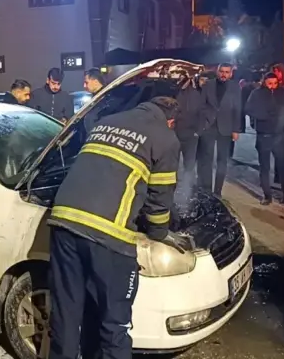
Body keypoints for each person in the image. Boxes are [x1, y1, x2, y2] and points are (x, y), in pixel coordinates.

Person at [48, 96, 192, 359]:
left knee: (66, 313)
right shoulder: (165, 138)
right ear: (170, 120)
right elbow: (159, 198)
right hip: (108, 234)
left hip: (63, 222)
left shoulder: (106, 121)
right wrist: (160, 234)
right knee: (115, 324)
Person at [245, 72, 284, 206]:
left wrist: (283, 121)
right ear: (264, 82)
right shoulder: (257, 93)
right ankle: (267, 195)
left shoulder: (282, 93)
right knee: (265, 167)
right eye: (269, 83)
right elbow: (249, 109)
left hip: (279, 135)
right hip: (264, 135)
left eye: (275, 83)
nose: (272, 86)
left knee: (282, 166)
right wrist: (265, 116)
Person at [198, 63, 242, 195]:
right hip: (209, 126)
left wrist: (236, 129)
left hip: (226, 127)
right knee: (206, 159)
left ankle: (217, 191)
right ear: (217, 72)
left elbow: (238, 109)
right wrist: (203, 121)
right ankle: (206, 190)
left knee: (222, 160)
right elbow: (201, 104)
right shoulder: (208, 85)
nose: (224, 74)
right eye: (222, 71)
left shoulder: (235, 87)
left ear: (231, 73)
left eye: (227, 72)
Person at [175, 75, 209, 189]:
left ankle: (187, 186)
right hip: (178, 133)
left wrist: (198, 131)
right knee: (176, 162)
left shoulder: (198, 95)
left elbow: (202, 114)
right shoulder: (177, 93)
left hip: (189, 134)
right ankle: (178, 185)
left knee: (188, 163)